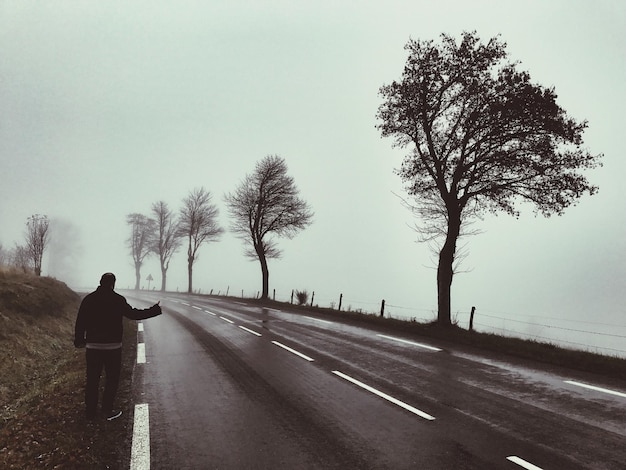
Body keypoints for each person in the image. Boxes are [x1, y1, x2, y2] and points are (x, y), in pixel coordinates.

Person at [74, 272, 162, 421]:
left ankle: (90, 413)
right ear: (113, 284)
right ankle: (107, 411)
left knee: (92, 379)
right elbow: (134, 314)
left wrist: (79, 340)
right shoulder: (118, 300)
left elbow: (80, 321)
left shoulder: (89, 299)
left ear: (100, 282)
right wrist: (154, 310)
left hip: (93, 347)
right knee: (112, 379)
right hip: (113, 348)